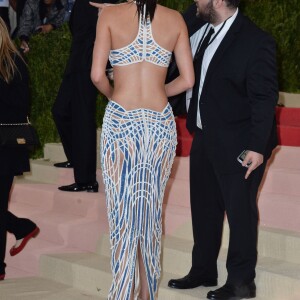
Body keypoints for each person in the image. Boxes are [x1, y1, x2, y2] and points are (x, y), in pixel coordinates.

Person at [167, 1, 278, 300]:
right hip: (204, 135)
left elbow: (265, 99)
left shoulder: (256, 41)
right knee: (203, 208)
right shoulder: (202, 27)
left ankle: (242, 282)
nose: (195, 2)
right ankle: (203, 269)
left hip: (240, 142)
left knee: (240, 212)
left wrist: (256, 147)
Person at [91, 0, 194, 298]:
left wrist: (115, 96)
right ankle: (147, 294)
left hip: (122, 120)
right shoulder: (175, 19)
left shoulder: (110, 15)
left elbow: (97, 75)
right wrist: (159, 91)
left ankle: (123, 292)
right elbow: (188, 79)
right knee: (150, 213)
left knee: (123, 217)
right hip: (160, 124)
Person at [51, 0, 118, 193]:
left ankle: (86, 180)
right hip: (76, 61)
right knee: (60, 111)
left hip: (89, 62)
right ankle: (76, 159)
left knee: (82, 119)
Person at [0, 17, 40, 280]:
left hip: (6, 145)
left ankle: (21, 227)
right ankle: (21, 227)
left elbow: (22, 105)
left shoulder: (14, 63)